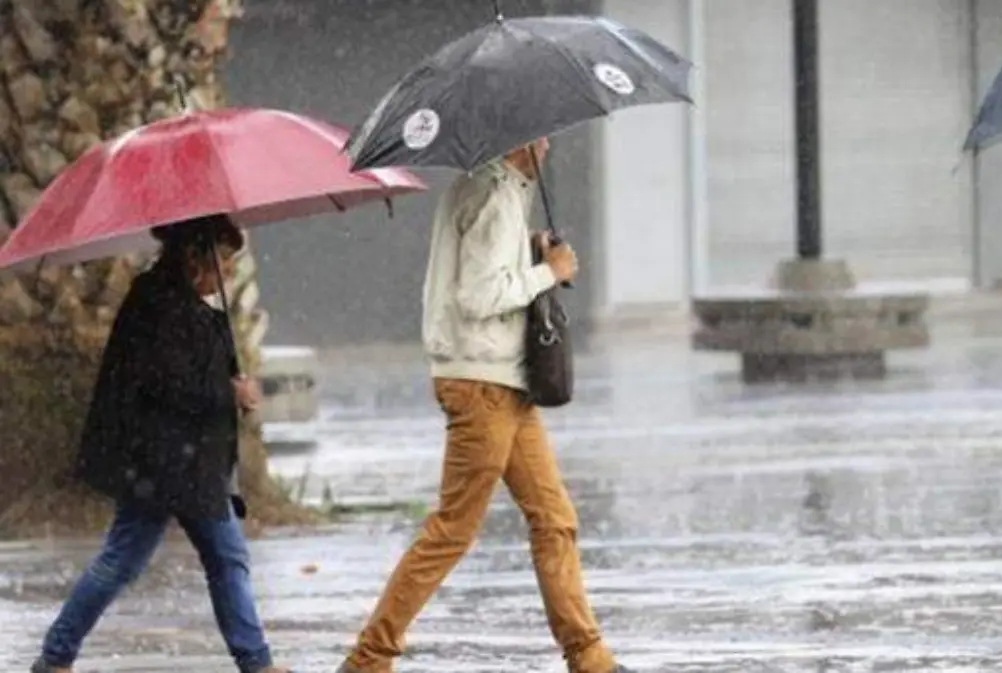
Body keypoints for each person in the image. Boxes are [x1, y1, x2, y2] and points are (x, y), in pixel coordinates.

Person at [337, 138, 632, 673]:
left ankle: (590, 658)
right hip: (484, 385)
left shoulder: (487, 190)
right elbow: (477, 296)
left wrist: (531, 248)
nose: (547, 144)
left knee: (554, 518)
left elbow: (483, 271)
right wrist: (550, 272)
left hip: (502, 381)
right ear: (518, 142)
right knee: (452, 531)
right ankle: (368, 659)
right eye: (540, 136)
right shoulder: (494, 196)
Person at [31, 215, 291, 673]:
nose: (229, 272)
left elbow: (191, 374)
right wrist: (228, 391)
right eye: (224, 261)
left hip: (187, 467)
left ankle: (256, 662)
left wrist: (226, 378)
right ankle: (56, 655)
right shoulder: (157, 304)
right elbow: (167, 385)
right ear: (196, 257)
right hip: (164, 465)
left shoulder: (183, 304)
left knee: (222, 558)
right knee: (126, 563)